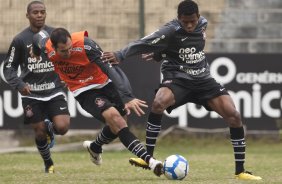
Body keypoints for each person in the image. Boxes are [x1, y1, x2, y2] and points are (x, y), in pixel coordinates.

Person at [101, 0, 262, 180]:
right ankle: (148, 158)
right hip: (178, 77)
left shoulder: (203, 24)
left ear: (198, 17)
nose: (189, 25)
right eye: (185, 22)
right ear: (179, 18)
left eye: (192, 21)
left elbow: (183, 46)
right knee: (158, 103)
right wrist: (120, 54)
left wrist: (160, 53)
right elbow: (145, 42)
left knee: (234, 116)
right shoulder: (170, 29)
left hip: (203, 79)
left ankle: (240, 171)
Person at [31, 27, 163, 176]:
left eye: (70, 48)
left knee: (116, 126)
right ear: (53, 47)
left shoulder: (86, 46)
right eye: (63, 51)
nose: (68, 53)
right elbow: (37, 37)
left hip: (105, 82)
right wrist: (35, 52)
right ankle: (151, 162)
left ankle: (95, 147)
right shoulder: (47, 47)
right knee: (118, 121)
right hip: (84, 90)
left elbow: (110, 69)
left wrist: (127, 96)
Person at [3, 1, 70, 173]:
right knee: (39, 132)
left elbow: (66, 58)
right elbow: (8, 67)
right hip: (31, 93)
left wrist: (66, 76)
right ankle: (48, 163)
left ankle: (51, 128)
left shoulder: (54, 35)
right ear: (28, 15)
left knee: (62, 128)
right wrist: (19, 84)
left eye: (42, 12)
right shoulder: (19, 39)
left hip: (54, 89)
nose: (39, 15)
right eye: (35, 12)